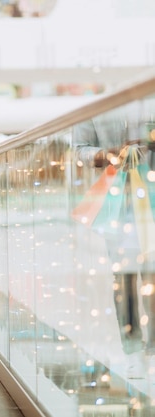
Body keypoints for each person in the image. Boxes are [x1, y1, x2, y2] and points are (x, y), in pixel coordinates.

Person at [73, 100, 155, 379]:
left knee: (152, 278)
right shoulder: (94, 101)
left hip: (152, 194)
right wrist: (106, 154)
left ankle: (153, 350)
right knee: (125, 280)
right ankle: (132, 351)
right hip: (116, 201)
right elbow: (78, 151)